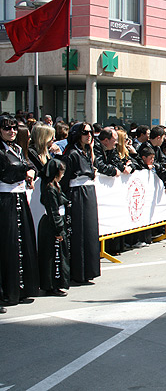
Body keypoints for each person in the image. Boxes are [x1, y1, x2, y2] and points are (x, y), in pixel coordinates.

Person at [0, 115, 39, 311]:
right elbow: (7, 173)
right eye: (7, 128)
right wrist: (24, 171)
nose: (12, 131)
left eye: (14, 128)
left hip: (19, 198)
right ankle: (6, 292)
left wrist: (30, 171)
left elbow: (31, 164)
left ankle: (22, 288)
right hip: (4, 201)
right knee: (7, 245)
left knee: (22, 243)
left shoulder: (17, 149)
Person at [61, 122, 100, 284]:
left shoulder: (86, 151)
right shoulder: (71, 153)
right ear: (77, 134)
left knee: (90, 232)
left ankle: (89, 270)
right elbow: (64, 179)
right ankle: (78, 272)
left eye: (90, 132)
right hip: (77, 195)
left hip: (88, 193)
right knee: (79, 233)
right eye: (85, 132)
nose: (89, 135)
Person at [38, 159, 71, 297]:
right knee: (53, 256)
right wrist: (59, 230)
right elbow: (53, 211)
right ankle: (52, 285)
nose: (63, 175)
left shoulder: (54, 185)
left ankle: (56, 283)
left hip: (56, 222)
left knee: (58, 255)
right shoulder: (49, 188)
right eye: (61, 173)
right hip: (52, 226)